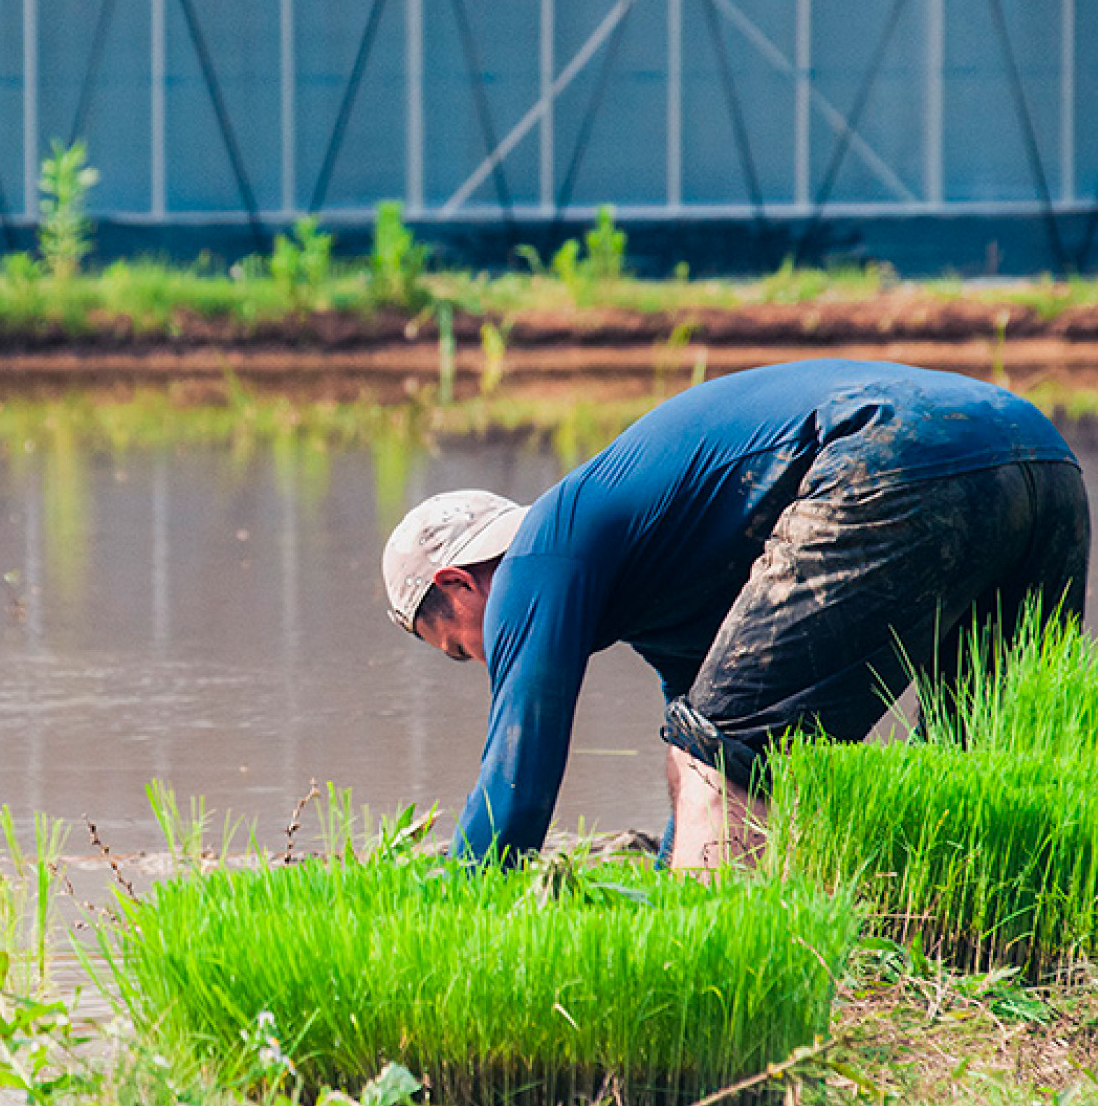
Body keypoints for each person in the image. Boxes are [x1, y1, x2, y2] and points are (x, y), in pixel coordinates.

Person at [381, 359, 1090, 870]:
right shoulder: (651, 558)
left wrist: (460, 902)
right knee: (982, 744)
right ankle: (984, 949)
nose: (485, 658)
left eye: (457, 647)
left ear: (459, 583)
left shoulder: (538, 556)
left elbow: (519, 779)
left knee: (715, 759)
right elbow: (704, 718)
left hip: (888, 453)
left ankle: (692, 942)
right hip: (1039, 452)